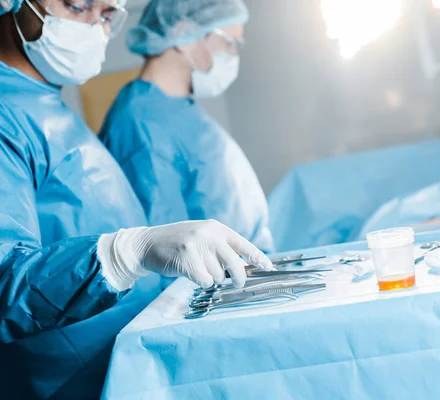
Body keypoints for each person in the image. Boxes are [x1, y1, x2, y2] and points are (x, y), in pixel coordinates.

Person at [0, 0, 272, 398]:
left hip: (121, 361)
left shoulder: (44, 104)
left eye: (108, 15)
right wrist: (125, 253)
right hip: (68, 383)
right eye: (78, 6)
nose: (95, 27)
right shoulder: (10, 113)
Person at [99, 0, 274, 253]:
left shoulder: (179, 110)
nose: (232, 54)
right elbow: (168, 251)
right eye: (229, 42)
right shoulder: (142, 123)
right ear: (182, 34)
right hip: (213, 286)